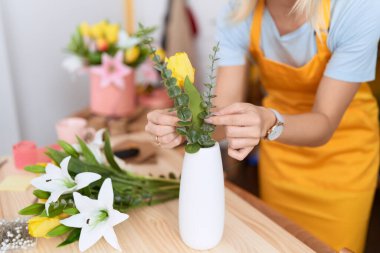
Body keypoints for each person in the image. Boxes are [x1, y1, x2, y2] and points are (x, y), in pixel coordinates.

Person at [145, 0, 380, 252]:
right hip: (280, 155)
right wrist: (183, 128)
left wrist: (269, 123)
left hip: (343, 159)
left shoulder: (356, 7)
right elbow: (223, 114)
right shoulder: (238, 10)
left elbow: (324, 122)